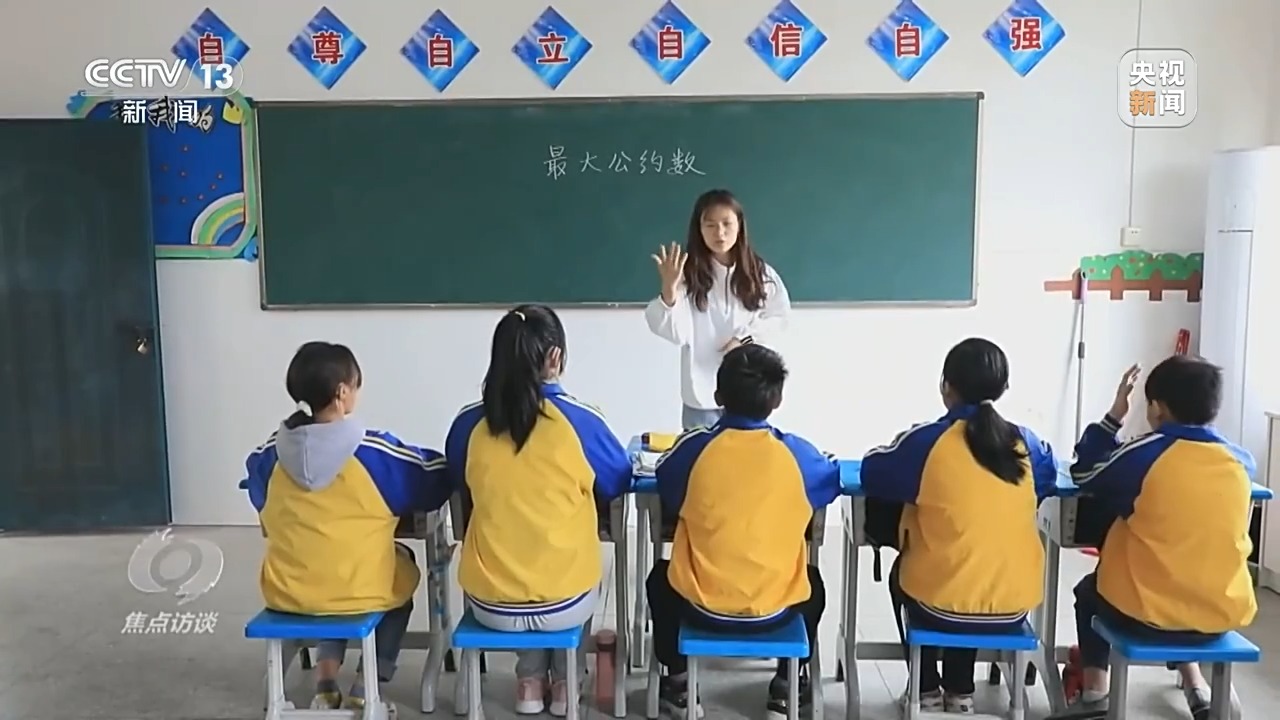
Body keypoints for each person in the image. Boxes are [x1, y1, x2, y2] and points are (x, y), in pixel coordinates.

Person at [241, 341, 450, 711]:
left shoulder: (269, 455)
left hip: (288, 590)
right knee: (396, 575)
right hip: (358, 589)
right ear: (342, 393)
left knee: (324, 574)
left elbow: (258, 495)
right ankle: (368, 684)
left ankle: (325, 681)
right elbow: (432, 478)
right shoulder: (373, 453)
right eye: (355, 385)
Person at [445, 304, 632, 717]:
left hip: (490, 605)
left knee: (517, 556)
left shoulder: (469, 423)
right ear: (556, 357)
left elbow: (458, 482)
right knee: (577, 565)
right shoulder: (580, 421)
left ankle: (528, 681)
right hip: (566, 603)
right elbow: (618, 480)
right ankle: (566, 682)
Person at [860, 338, 1058, 715]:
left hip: (939, 604)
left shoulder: (927, 442)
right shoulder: (1026, 442)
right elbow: (1047, 477)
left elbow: (872, 471)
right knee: (974, 568)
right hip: (1014, 607)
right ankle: (960, 688)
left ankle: (925, 686)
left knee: (924, 573)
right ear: (1004, 388)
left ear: (945, 386)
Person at [646, 344, 840, 720]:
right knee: (814, 583)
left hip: (699, 606)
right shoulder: (798, 456)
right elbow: (831, 477)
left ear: (717, 396)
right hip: (777, 609)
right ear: (777, 399)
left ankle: (680, 682)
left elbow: (664, 479)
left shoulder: (694, 450)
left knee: (659, 579)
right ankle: (786, 684)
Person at [1062, 357, 1256, 720]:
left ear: (1157, 408)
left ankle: (1095, 693)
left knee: (1090, 592)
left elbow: (1085, 472)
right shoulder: (1240, 461)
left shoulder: (1147, 454)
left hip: (1145, 616)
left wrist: (1114, 416)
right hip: (1219, 615)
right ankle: (1196, 686)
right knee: (1181, 580)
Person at [645, 188, 792, 430]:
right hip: (702, 395)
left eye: (727, 224)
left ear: (740, 226)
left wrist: (744, 340)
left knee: (748, 452)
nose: (720, 233)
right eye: (710, 225)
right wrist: (669, 290)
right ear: (699, 229)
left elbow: (779, 317)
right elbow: (676, 333)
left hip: (749, 392)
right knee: (701, 452)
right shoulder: (687, 273)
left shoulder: (760, 273)